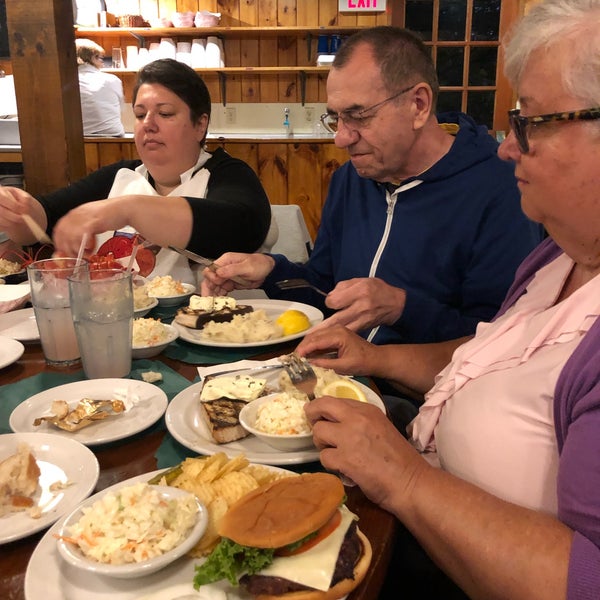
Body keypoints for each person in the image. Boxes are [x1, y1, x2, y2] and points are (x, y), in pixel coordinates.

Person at [293, 1, 600, 597]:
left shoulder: (494, 197)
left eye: (529, 123)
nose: (507, 148)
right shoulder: (559, 259)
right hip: (407, 500)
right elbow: (485, 355)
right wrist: (372, 358)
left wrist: (402, 478)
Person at [201, 26, 543, 345]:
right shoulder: (351, 178)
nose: (341, 138)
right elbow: (325, 288)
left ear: (418, 105)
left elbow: (500, 341)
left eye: (359, 116)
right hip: (346, 375)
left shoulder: (500, 187)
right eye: (336, 117)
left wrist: (400, 307)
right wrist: (272, 271)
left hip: (429, 398)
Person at [0, 59, 272, 283]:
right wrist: (18, 212)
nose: (148, 125)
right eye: (140, 115)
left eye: (165, 114)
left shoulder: (228, 174)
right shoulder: (121, 176)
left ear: (200, 125)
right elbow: (42, 221)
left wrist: (127, 209)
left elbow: (242, 227)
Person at [75, 38, 125, 137]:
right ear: (93, 58)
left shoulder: (66, 82)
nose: (102, 63)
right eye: (100, 58)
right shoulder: (112, 80)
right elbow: (121, 109)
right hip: (114, 137)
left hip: (79, 139)